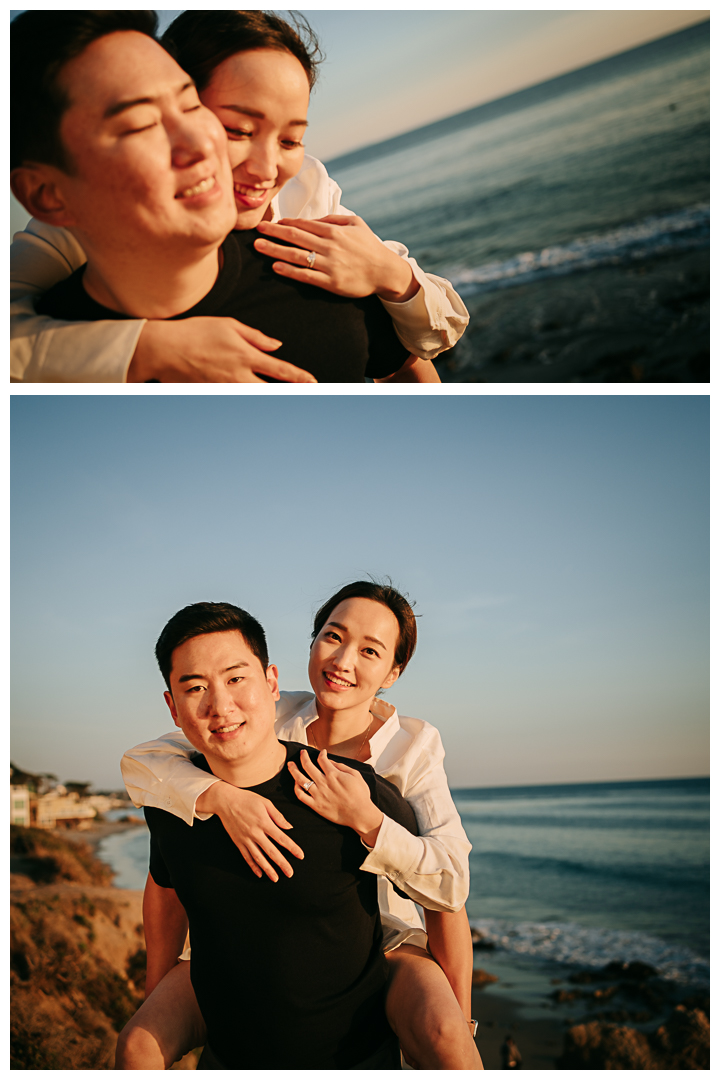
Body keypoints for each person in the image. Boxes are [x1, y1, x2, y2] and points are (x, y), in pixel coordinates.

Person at [120, 581, 483, 1070]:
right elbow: (148, 763)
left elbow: (449, 887)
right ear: (311, 643)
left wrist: (367, 821)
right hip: (250, 934)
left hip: (380, 940)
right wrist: (224, 799)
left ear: (393, 673)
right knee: (138, 1045)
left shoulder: (409, 751)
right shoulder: (267, 708)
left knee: (445, 1037)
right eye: (333, 637)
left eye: (370, 651)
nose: (343, 661)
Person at [10, 10, 467, 382]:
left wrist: (389, 274)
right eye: (238, 130)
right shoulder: (73, 234)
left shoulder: (307, 200)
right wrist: (148, 349)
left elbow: (416, 347)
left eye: (291, 140)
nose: (267, 169)